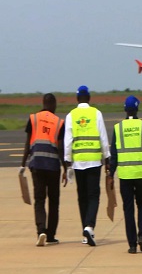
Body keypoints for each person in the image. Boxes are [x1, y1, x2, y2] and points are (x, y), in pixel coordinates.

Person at [109, 95, 142, 254]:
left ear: (125, 109)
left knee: (128, 209)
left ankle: (131, 244)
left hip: (124, 175)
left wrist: (111, 173)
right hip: (140, 174)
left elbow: (114, 155)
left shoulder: (118, 128)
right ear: (137, 109)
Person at [63, 85, 110, 246]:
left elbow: (67, 140)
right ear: (89, 98)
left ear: (77, 99)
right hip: (94, 161)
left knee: (82, 197)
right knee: (93, 196)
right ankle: (89, 226)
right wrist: (107, 158)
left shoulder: (71, 115)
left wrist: (67, 160)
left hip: (78, 162)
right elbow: (103, 137)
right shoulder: (96, 113)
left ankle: (85, 231)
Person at [21, 93, 66, 246]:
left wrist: (22, 164)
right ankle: (51, 235)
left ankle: (41, 230)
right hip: (53, 166)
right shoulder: (59, 122)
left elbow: (27, 144)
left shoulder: (33, 119)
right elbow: (60, 148)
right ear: (53, 104)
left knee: (39, 199)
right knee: (54, 200)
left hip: (37, 165)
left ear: (43, 103)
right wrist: (66, 168)